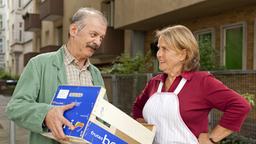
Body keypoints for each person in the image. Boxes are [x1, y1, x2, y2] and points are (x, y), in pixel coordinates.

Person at [132, 25, 251, 144]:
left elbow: (240, 106)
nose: (159, 54)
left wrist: (212, 138)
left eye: (165, 49)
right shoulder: (155, 82)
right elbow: (138, 107)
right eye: (159, 48)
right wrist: (142, 124)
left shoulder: (202, 82)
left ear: (182, 54)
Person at [6, 7, 108, 144]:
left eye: (101, 38)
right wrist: (46, 114)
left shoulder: (96, 74)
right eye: (93, 34)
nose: (97, 42)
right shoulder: (39, 64)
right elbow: (15, 107)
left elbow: (104, 116)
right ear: (74, 30)